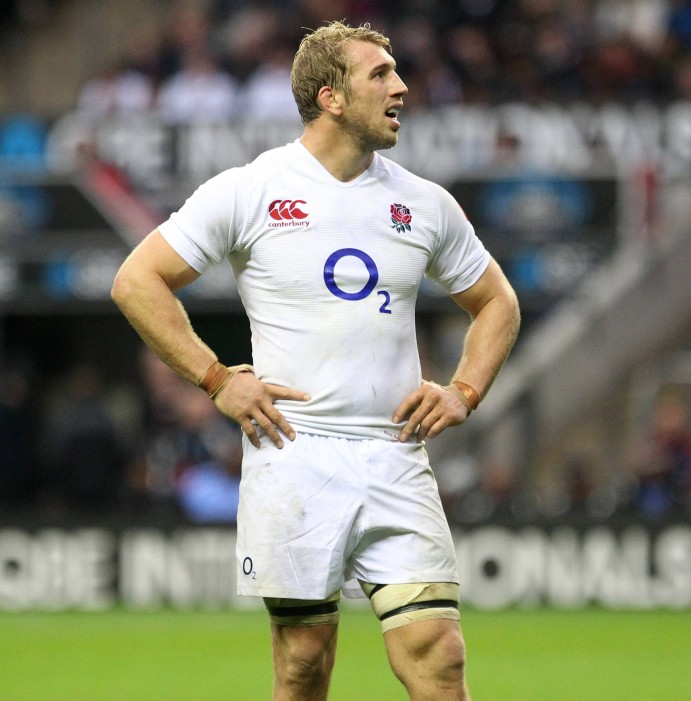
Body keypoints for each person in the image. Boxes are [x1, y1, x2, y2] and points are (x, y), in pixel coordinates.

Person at [111, 20, 520, 701]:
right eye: (381, 74)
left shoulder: (423, 203)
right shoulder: (252, 189)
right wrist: (216, 378)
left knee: (439, 656)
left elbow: (497, 302)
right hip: (295, 454)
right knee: (303, 663)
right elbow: (136, 279)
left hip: (396, 454)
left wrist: (464, 389)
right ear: (330, 97)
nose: (402, 86)